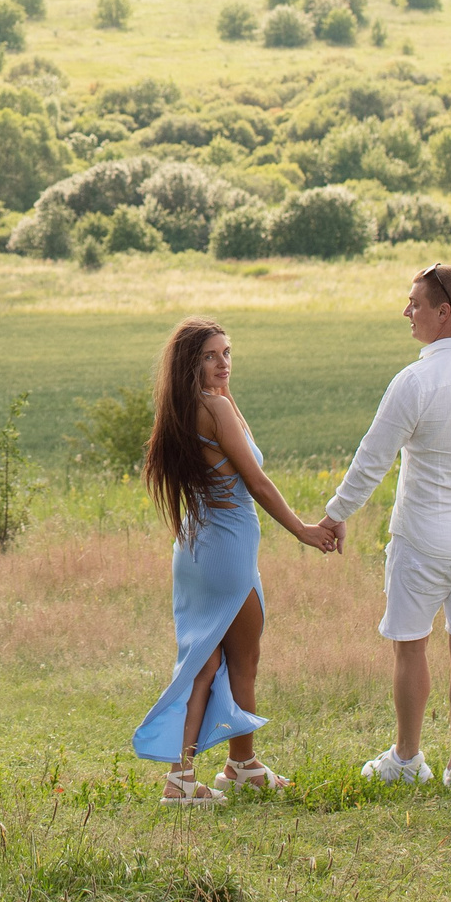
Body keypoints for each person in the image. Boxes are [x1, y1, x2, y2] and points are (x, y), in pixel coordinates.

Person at [315, 264, 451, 787]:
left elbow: (373, 458)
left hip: (423, 539)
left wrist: (336, 514)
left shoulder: (415, 381)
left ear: (445, 312)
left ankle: (407, 760)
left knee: (410, 645)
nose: (406, 312)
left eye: (414, 303)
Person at [132, 317, 337, 804]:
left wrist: (223, 385)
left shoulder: (188, 408)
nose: (223, 363)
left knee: (228, 657)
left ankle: (240, 765)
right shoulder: (214, 408)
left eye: (227, 353)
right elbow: (258, 483)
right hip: (225, 549)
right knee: (220, 663)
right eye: (210, 356)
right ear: (191, 364)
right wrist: (304, 531)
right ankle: (181, 781)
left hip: (199, 547)